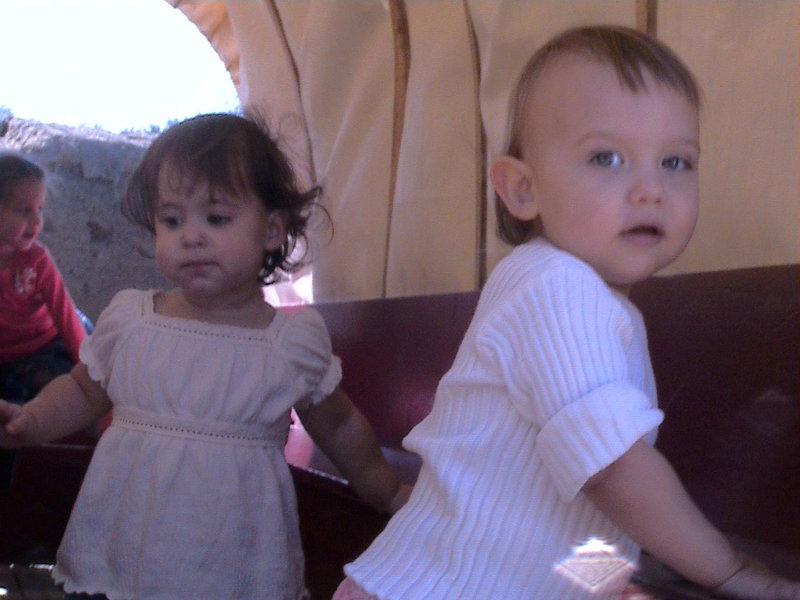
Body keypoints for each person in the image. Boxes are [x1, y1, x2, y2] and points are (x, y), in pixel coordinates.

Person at [332, 25, 800, 600]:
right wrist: (729, 571)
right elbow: (610, 469)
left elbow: (558, 507)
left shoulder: (585, 298)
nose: (651, 189)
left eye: (676, 162)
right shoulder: (558, 287)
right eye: (607, 157)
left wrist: (602, 583)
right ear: (521, 190)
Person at [0, 113, 408, 600]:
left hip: (234, 557)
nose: (190, 236)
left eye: (216, 218)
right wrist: (32, 419)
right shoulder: (131, 320)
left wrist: (384, 488)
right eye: (172, 220)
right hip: (127, 545)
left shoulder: (288, 343)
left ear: (271, 230)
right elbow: (83, 390)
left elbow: (337, 424)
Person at [0, 153, 86, 488]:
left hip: (42, 346)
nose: (37, 221)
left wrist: (93, 372)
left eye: (39, 209)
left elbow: (65, 317)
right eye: (24, 210)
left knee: (65, 388)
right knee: (9, 414)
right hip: (5, 362)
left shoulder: (36, 261)